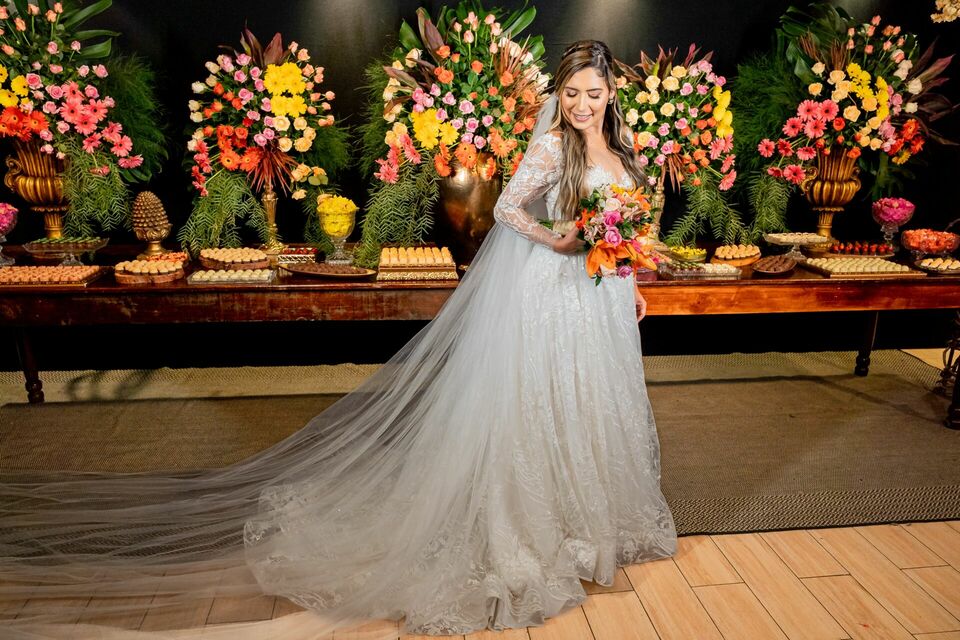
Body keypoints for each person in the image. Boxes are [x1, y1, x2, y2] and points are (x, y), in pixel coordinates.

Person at [0, 40, 676, 639]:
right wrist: (555, 237)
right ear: (558, 93)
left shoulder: (621, 150)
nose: (581, 105)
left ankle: (590, 525)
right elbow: (505, 208)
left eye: (593, 94)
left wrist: (630, 284)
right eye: (571, 93)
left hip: (602, 295)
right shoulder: (553, 146)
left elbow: (623, 228)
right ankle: (541, 527)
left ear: (610, 93)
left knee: (591, 403)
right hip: (552, 293)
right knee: (544, 406)